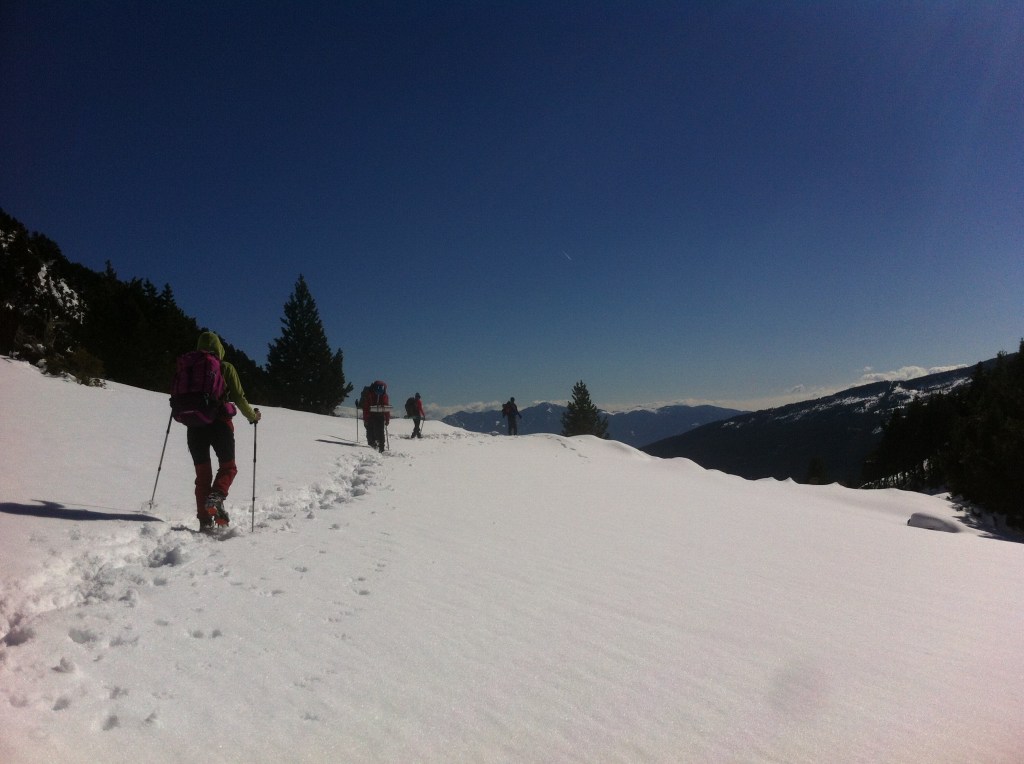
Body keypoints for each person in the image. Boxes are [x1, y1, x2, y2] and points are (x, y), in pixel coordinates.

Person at [186, 331, 261, 529]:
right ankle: (216, 497)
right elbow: (238, 396)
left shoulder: (189, 366)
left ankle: (204, 521)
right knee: (228, 467)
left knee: (203, 475)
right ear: (219, 347)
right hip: (220, 424)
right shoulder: (225, 367)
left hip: (194, 426)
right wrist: (253, 417)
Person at [362, 380, 391, 452]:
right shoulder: (384, 395)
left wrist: (365, 419)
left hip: (370, 415)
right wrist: (387, 419)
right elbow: (386, 408)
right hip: (380, 415)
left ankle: (374, 446)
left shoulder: (370, 394)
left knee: (371, 431)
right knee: (380, 431)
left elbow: (366, 408)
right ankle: (381, 447)